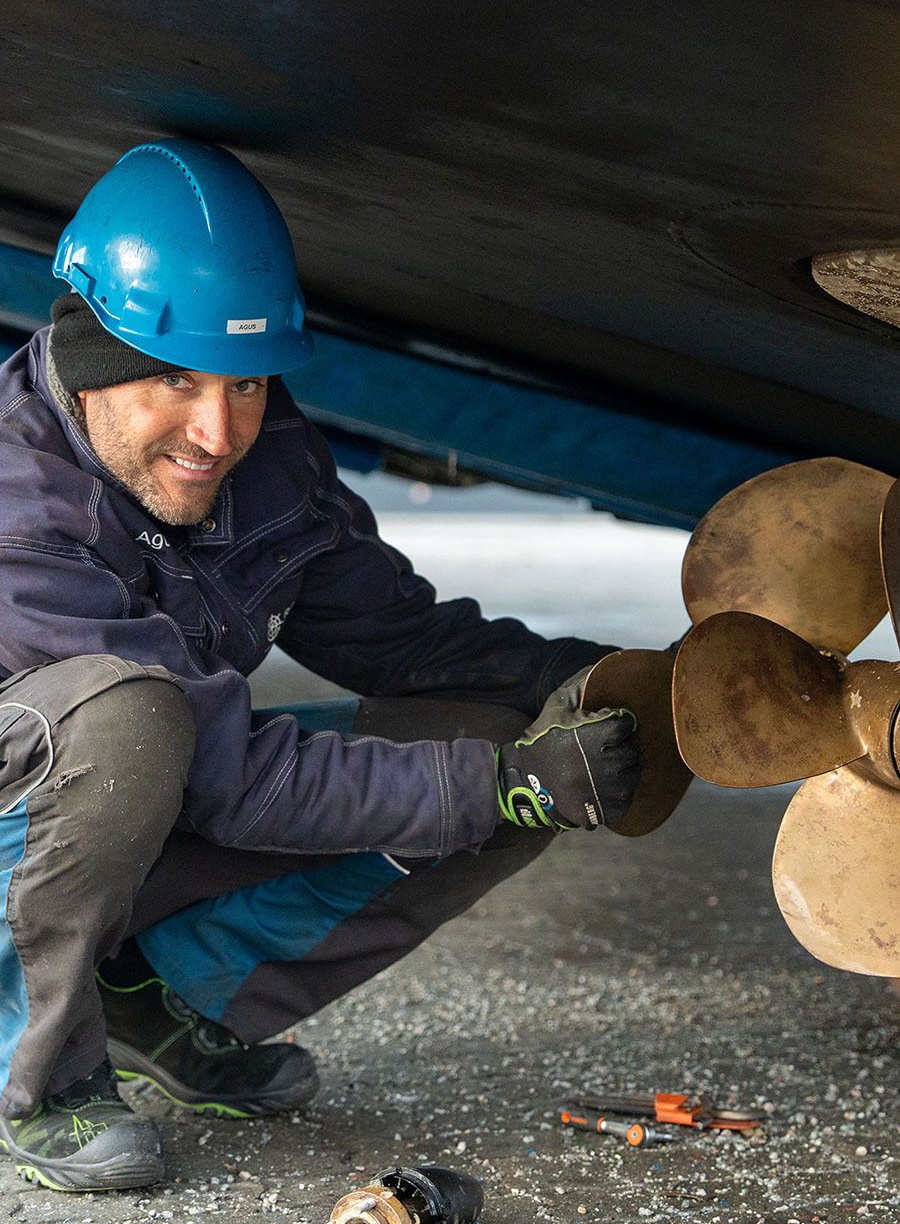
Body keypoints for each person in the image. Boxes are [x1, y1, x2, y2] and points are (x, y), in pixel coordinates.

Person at [0, 139, 641, 1193]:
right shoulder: (21, 515)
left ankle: (162, 1002)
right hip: (21, 843)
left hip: (123, 825)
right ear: (90, 352)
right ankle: (40, 1075)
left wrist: (602, 676)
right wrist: (504, 791)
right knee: (130, 721)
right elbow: (228, 773)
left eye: (246, 382)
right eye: (176, 378)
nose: (219, 431)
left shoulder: (264, 448)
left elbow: (394, 635)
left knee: (480, 736)